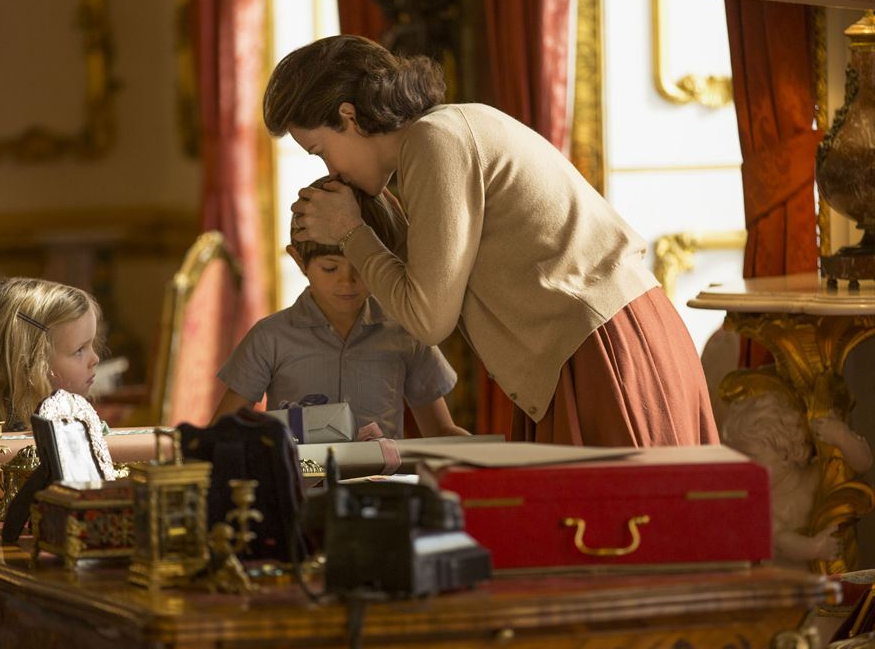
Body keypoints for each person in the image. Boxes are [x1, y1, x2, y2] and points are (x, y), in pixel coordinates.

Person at [263, 34, 717, 447]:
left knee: (623, 529)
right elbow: (432, 280)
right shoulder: (447, 130)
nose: (330, 172)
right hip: (592, 344)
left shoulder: (433, 141)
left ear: (348, 115)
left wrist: (350, 232)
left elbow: (427, 318)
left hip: (601, 352)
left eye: (320, 151)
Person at [212, 178, 467, 440]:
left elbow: (440, 432)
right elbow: (222, 432)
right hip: (300, 478)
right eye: (330, 268)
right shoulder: (269, 338)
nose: (347, 281)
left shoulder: (407, 332)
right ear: (300, 261)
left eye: (361, 266)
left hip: (383, 481)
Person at [0, 277, 103, 480]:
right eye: (79, 350)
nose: (95, 359)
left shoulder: (75, 423)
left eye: (91, 345)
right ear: (28, 364)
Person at [721, 391, 872, 566]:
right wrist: (814, 547)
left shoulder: (817, 475)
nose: (741, 468)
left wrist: (842, 437)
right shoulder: (763, 504)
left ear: (784, 453)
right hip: (786, 585)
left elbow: (863, 465)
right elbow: (783, 542)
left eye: (750, 457)